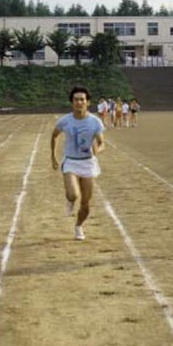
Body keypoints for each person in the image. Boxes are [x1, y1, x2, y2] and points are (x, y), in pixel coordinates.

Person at [50, 86, 105, 241]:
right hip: (71, 162)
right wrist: (53, 157)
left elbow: (102, 143)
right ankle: (70, 199)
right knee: (73, 194)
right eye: (76, 100)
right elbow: (54, 136)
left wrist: (96, 151)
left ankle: (79, 226)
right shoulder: (65, 121)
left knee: (86, 202)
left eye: (82, 99)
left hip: (88, 164)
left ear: (88, 102)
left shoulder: (95, 122)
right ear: (72, 102)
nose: (79, 102)